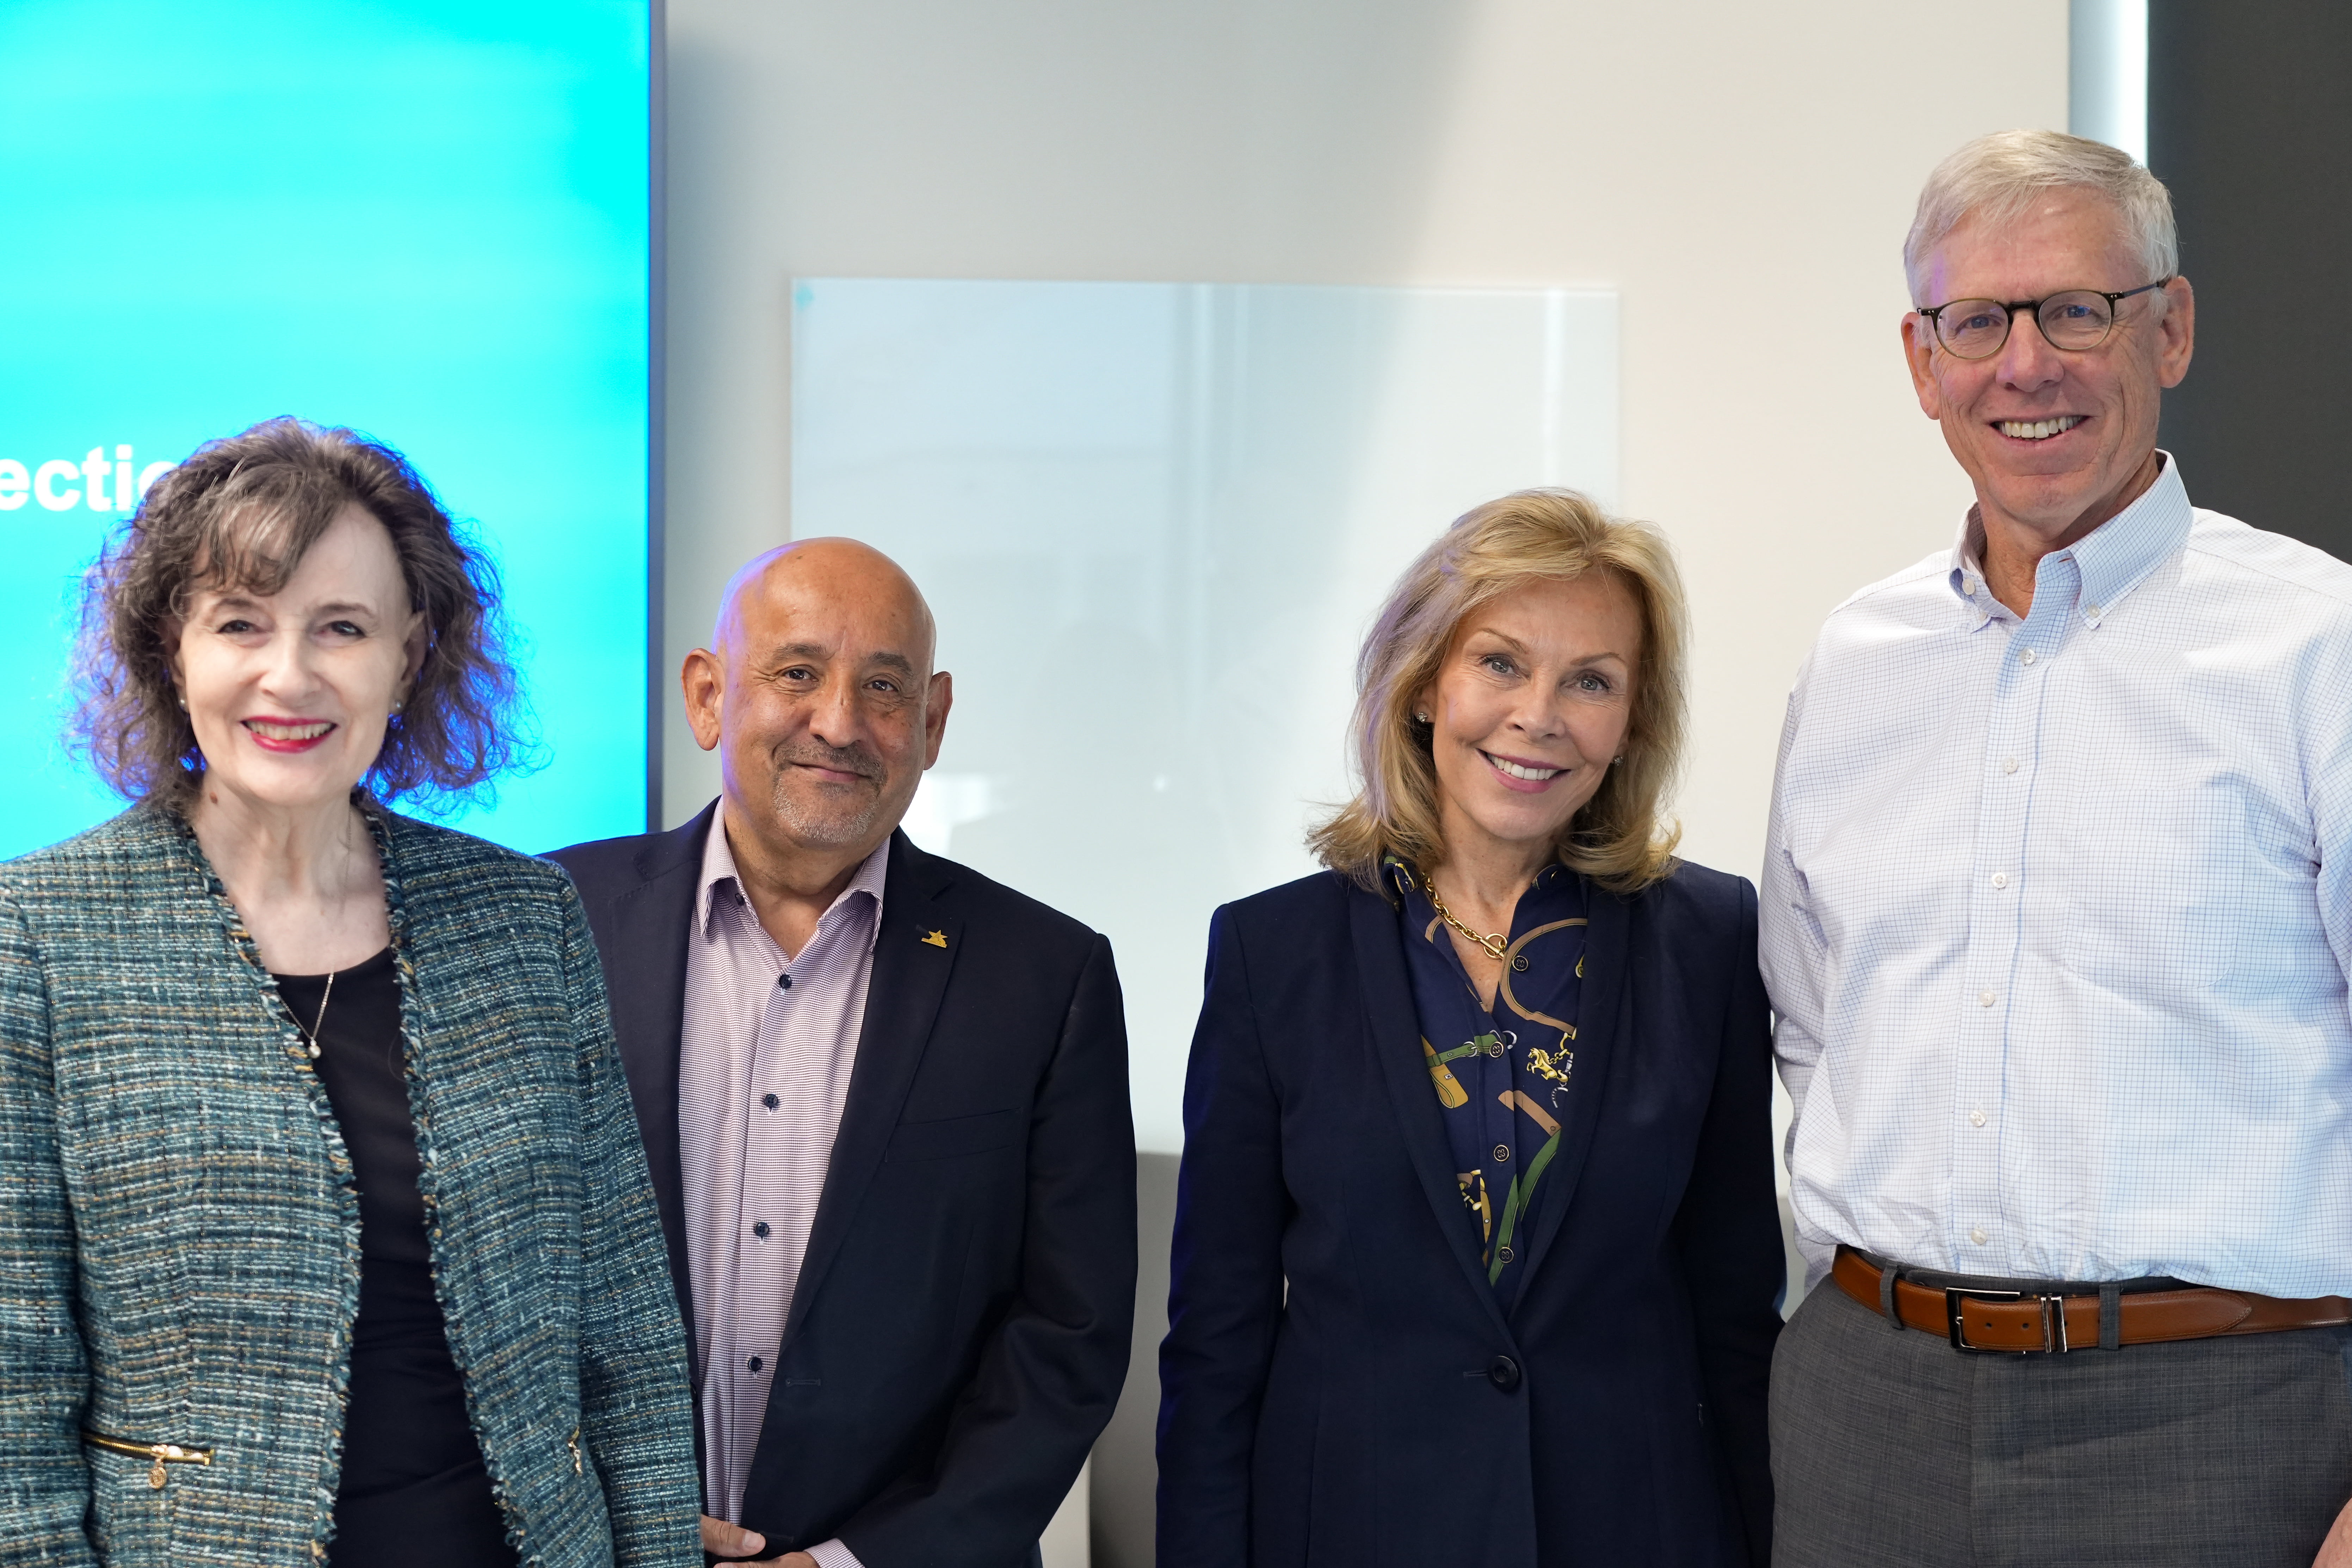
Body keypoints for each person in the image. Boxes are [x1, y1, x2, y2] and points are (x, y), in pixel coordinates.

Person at [1764, 129, 2352, 1568]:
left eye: (2077, 310)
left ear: (2172, 326)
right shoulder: (1856, 661)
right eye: (1978, 321)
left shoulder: (2316, 646)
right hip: (1866, 1408)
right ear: (1922, 362)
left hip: (2221, 1416)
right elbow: (1808, 1026)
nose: (2025, 365)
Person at [0, 418, 700, 1567]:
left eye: (342, 627)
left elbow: (624, 1327)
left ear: (409, 655)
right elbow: (14, 1391)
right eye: (240, 624)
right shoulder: (37, 933)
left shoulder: (526, 919)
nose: (291, 675)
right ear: (170, 649)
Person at [1155, 489, 1783, 1567]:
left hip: (1635, 1529)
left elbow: (1733, 1309)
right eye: (1499, 662)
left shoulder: (1710, 937)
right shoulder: (1271, 954)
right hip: (1353, 1527)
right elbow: (1219, 1336)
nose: (1538, 713)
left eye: (1590, 679)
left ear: (1631, 720)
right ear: (1422, 683)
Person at [548, 538, 1136, 1568]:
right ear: (705, 695)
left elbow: (1066, 1339)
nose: (839, 722)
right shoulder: (547, 924)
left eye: (883, 687)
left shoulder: (1046, 977)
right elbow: (463, 1290)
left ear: (933, 720)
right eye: (797, 672)